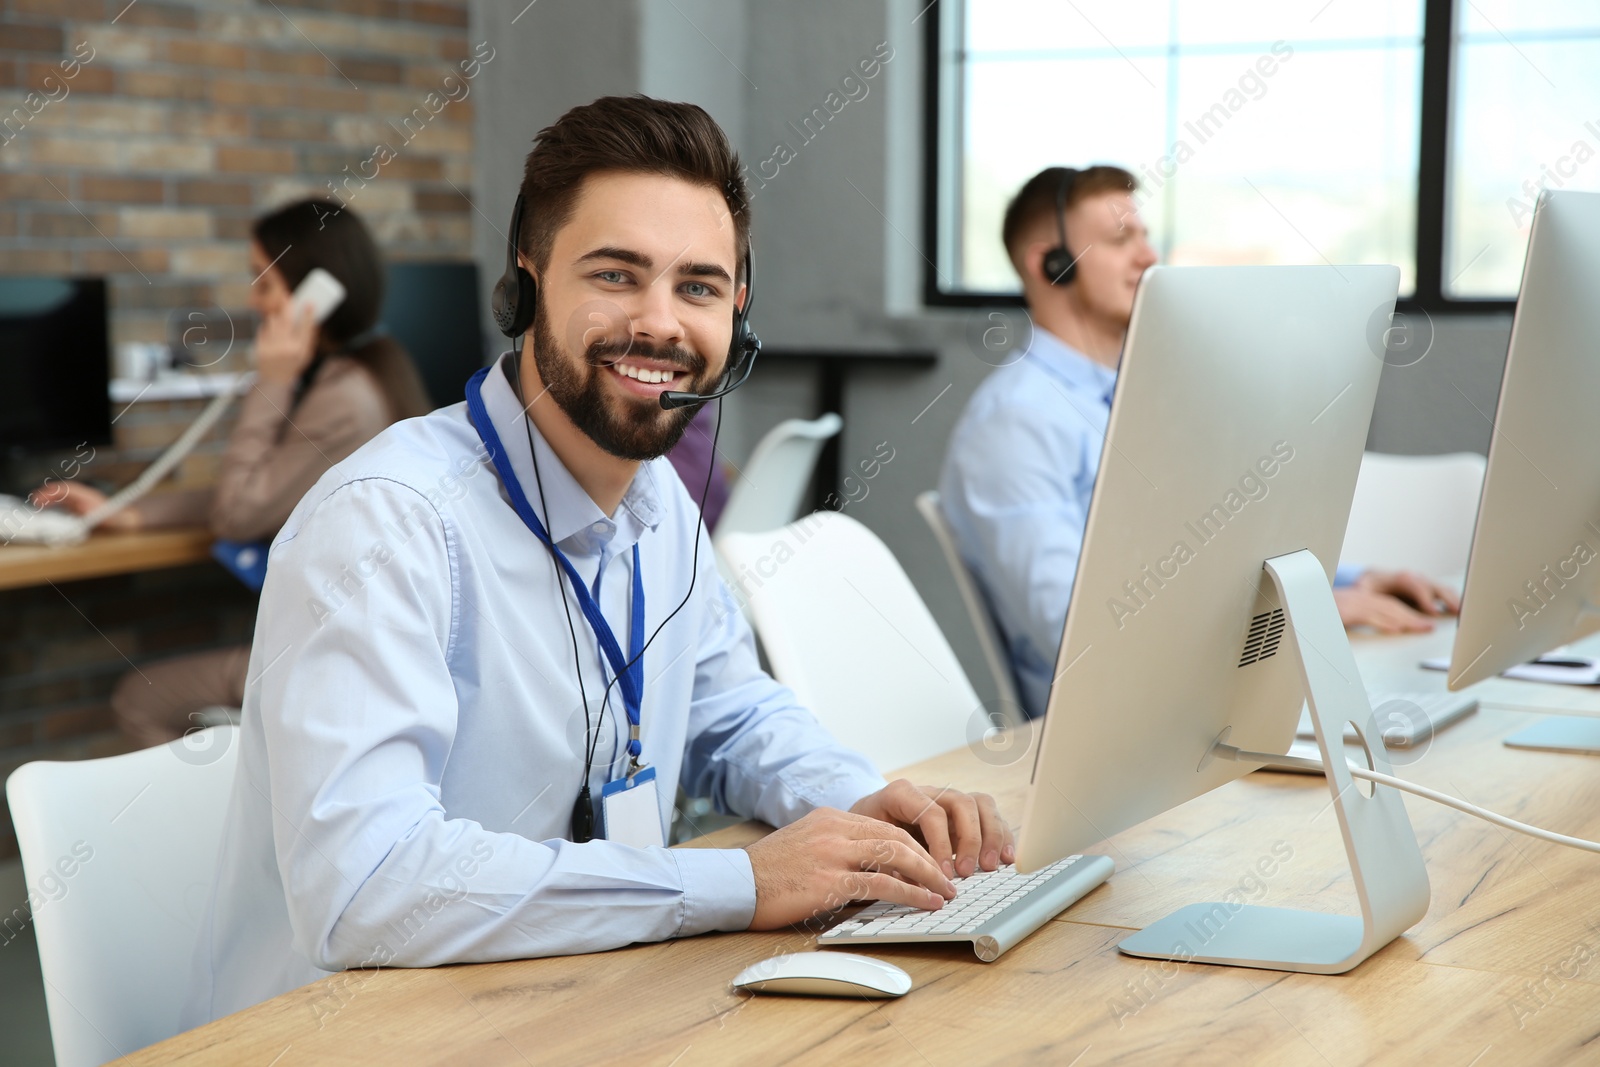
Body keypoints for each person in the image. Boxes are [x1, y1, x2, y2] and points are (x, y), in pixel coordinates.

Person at [182, 96, 1010, 1026]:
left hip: (573, 1000)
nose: (658, 323)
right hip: (351, 1033)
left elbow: (728, 709)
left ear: (737, 311)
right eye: (616, 275)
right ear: (526, 284)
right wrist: (736, 880)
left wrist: (862, 806)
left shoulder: (658, 502)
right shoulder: (387, 521)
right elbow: (367, 887)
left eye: (699, 286)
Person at [939, 166, 1459, 720]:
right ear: (1049, 263)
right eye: (1119, 240)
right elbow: (1080, 635)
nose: (1146, 256)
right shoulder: (1016, 423)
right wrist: (1301, 614)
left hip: (1213, 697)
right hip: (1127, 726)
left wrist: (1343, 583)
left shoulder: (1148, 395)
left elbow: (1215, 556)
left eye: (1144, 236)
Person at [34, 200, 432, 749]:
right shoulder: (363, 371)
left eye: (263, 283)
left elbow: (238, 514)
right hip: (342, 640)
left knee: (139, 698)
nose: (253, 299)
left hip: (338, 659)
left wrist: (273, 383)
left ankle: (229, 831)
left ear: (316, 295)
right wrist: (126, 514)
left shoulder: (343, 398)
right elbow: (263, 487)